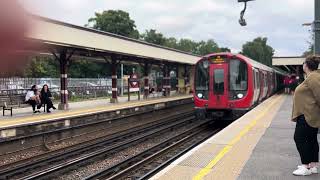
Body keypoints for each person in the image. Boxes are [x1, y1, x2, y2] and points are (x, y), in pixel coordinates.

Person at [292, 55, 320, 176]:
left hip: (307, 115)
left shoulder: (313, 77)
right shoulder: (312, 76)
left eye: (303, 63)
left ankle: (305, 166)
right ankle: (313, 166)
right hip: (309, 114)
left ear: (306, 66)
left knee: (299, 139)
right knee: (312, 140)